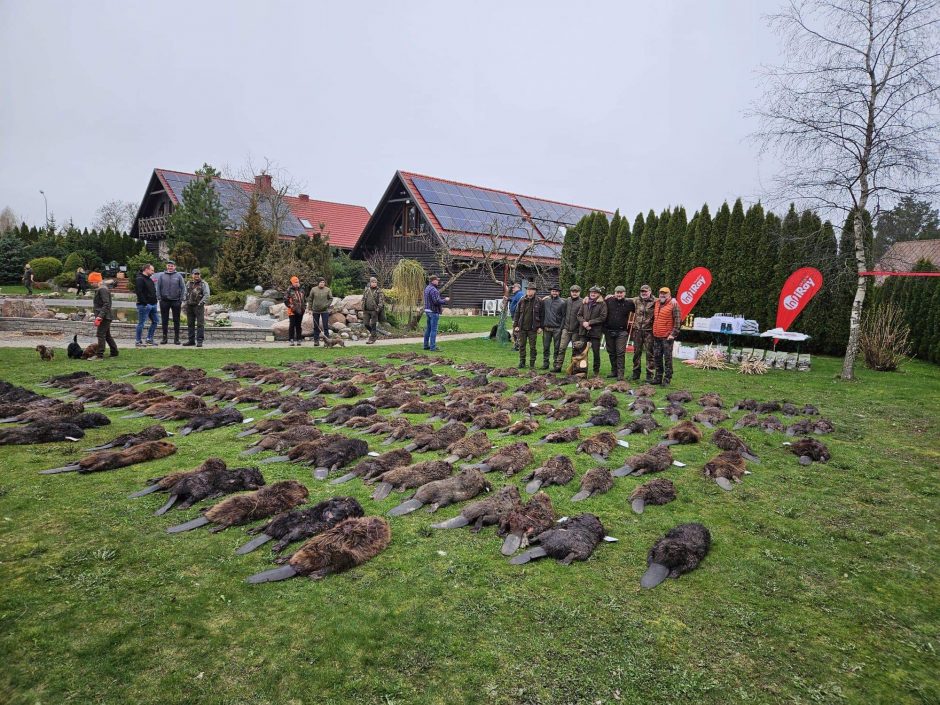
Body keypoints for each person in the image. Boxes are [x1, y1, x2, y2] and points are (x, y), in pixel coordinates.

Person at [651, 287, 682, 386]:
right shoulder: (657, 303)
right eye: (661, 293)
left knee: (667, 359)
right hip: (656, 335)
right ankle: (658, 377)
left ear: (669, 294)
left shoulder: (674, 304)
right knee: (657, 358)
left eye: (665, 293)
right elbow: (645, 297)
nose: (662, 295)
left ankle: (667, 379)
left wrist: (673, 334)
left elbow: (678, 321)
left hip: (667, 337)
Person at [604, 285, 636, 380]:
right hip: (609, 331)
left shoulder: (629, 303)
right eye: (617, 292)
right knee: (611, 352)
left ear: (624, 293)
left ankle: (620, 373)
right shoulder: (608, 301)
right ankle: (614, 371)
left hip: (622, 332)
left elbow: (640, 302)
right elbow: (597, 300)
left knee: (620, 353)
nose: (619, 294)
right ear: (614, 293)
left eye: (621, 293)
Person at [577, 285, 608, 377]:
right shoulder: (585, 302)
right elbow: (579, 315)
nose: (593, 294)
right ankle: (582, 370)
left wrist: (590, 323)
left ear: (599, 294)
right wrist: (584, 323)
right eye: (591, 292)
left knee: (596, 352)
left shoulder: (602, 304)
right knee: (582, 352)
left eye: (595, 293)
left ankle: (596, 371)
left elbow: (603, 317)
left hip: (595, 332)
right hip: (584, 331)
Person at [552, 284, 583, 373]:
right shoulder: (567, 301)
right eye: (573, 292)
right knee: (561, 348)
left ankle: (574, 368)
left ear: (579, 293)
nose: (574, 293)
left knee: (575, 350)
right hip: (566, 329)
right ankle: (558, 367)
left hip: (576, 331)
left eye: (576, 292)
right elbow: (561, 313)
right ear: (570, 292)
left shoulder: (582, 302)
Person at [630, 284, 657, 382]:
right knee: (636, 353)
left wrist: (673, 300)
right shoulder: (636, 300)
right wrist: (610, 296)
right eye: (642, 291)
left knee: (650, 353)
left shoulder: (655, 301)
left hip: (649, 332)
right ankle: (635, 373)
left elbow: (666, 302)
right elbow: (625, 298)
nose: (643, 293)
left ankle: (649, 375)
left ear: (650, 291)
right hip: (637, 330)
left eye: (645, 291)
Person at [513, 282, 543, 369]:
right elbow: (517, 313)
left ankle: (532, 364)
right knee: (522, 346)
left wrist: (540, 327)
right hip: (522, 328)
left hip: (533, 329)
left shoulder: (539, 301)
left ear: (535, 291)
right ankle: (522, 362)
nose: (529, 291)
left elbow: (542, 315)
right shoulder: (522, 300)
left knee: (532, 347)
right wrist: (516, 325)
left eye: (531, 290)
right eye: (528, 290)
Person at [156, 260, 185, 345]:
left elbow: (183, 288)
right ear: (166, 266)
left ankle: (176, 339)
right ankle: (164, 338)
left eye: (172, 266)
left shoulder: (179, 276)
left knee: (176, 320)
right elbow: (158, 287)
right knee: (164, 320)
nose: (170, 267)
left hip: (176, 301)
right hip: (164, 301)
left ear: (174, 267)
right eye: (169, 266)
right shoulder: (162, 276)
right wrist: (159, 298)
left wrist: (181, 299)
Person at [92, 274, 118, 359]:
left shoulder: (102, 289)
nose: (91, 284)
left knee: (100, 335)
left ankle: (100, 355)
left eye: (92, 282)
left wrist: (100, 316)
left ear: (96, 281)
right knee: (107, 335)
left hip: (104, 316)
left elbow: (106, 304)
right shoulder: (102, 288)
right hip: (105, 316)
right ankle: (114, 352)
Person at [182, 269, 210, 348]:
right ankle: (191, 341)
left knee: (200, 324)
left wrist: (201, 303)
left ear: (200, 275)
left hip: (199, 306)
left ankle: (199, 341)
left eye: (198, 274)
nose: (196, 275)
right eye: (195, 274)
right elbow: (185, 293)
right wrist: (185, 301)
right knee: (190, 324)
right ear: (192, 275)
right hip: (189, 306)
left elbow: (207, 295)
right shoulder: (188, 283)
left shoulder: (204, 284)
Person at [540, 285, 565, 370]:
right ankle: (545, 363)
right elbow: (541, 312)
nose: (555, 293)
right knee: (546, 347)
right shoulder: (546, 301)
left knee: (557, 348)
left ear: (559, 292)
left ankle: (556, 365)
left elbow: (563, 316)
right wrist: (542, 325)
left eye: (556, 291)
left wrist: (561, 328)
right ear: (551, 291)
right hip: (546, 328)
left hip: (557, 329)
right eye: (553, 291)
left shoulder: (562, 303)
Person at [134, 263, 160, 348]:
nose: (153, 272)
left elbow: (152, 291)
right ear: (146, 269)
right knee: (141, 323)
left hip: (153, 304)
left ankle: (149, 339)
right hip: (144, 305)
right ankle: (138, 341)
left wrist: (155, 302)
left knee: (155, 321)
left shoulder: (149, 279)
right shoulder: (140, 279)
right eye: (152, 270)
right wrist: (144, 303)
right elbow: (139, 292)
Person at [423, 274, 449, 352]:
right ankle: (433, 347)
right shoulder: (434, 290)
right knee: (433, 330)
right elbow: (436, 301)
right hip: (433, 311)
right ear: (433, 281)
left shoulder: (427, 288)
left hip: (427, 310)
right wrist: (445, 300)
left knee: (428, 329)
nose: (438, 281)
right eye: (437, 280)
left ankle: (426, 346)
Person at [309, 277, 333, 346]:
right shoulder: (313, 289)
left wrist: (327, 305)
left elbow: (331, 298)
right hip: (315, 310)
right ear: (318, 283)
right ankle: (316, 341)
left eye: (323, 282)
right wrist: (310, 309)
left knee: (325, 326)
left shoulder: (328, 290)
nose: (322, 283)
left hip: (324, 311)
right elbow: (310, 299)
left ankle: (327, 341)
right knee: (316, 326)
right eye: (321, 282)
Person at [362, 276, 385, 344]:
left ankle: (372, 339)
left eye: (375, 282)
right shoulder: (366, 290)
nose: (374, 283)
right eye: (373, 282)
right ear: (370, 282)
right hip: (366, 310)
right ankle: (374, 334)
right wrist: (363, 306)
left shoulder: (379, 291)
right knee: (366, 324)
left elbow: (381, 301)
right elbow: (363, 298)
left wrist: (378, 309)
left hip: (374, 311)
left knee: (373, 324)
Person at [285, 276, 306, 347]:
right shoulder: (289, 290)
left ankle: (299, 339)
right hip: (292, 311)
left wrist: (304, 307)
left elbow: (304, 300)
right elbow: (286, 300)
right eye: (295, 282)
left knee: (298, 325)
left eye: (298, 282)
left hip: (301, 310)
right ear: (292, 283)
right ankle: (291, 339)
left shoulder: (302, 289)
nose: (297, 283)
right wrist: (291, 307)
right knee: (292, 325)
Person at [506, 282, 524, 349]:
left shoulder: (520, 294)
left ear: (518, 288)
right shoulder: (516, 294)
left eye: (514, 287)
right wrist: (509, 299)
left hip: (517, 316)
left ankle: (517, 346)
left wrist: (517, 312)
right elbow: (515, 301)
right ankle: (517, 345)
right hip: (514, 315)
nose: (512, 289)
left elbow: (520, 303)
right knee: (515, 330)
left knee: (516, 330)